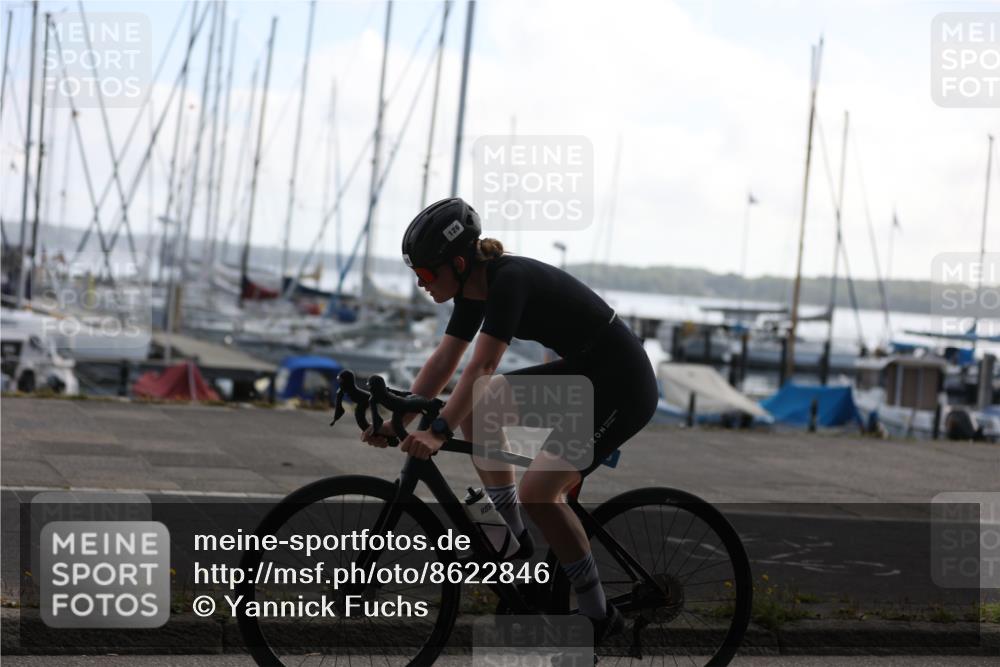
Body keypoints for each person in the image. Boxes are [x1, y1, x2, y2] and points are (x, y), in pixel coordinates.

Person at [362, 196, 659, 645]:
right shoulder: (471, 289)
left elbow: (482, 366)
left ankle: (600, 615)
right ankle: (515, 541)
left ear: (458, 263)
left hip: (623, 385)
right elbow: (445, 360)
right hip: (586, 375)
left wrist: (439, 431)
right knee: (483, 407)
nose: (421, 283)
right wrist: (398, 419)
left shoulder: (510, 281)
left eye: (425, 274)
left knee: (538, 490)